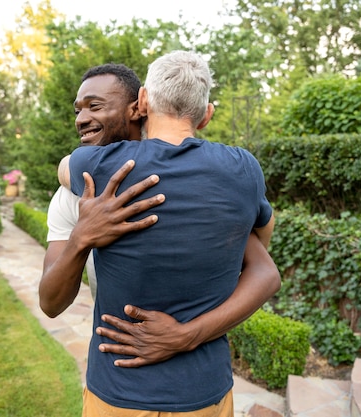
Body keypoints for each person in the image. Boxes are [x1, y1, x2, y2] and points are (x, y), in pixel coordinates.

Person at [61, 51, 276, 414]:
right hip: (204, 393)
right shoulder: (244, 169)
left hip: (117, 393)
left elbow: (65, 168)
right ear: (206, 116)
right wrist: (188, 333)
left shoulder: (100, 165)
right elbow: (260, 247)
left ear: (142, 101)